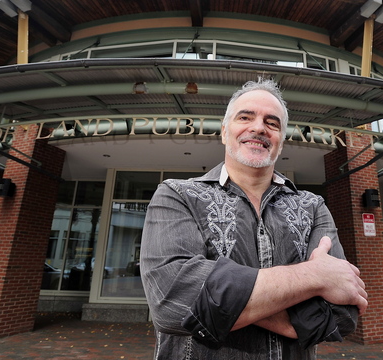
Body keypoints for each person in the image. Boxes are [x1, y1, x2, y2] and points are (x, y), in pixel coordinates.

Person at [140, 78, 368, 359]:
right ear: (225, 132)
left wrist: (219, 296)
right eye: (245, 117)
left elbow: (341, 316)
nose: (259, 127)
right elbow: (172, 305)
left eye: (272, 123)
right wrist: (315, 276)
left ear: (281, 143)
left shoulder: (312, 206)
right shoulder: (177, 195)